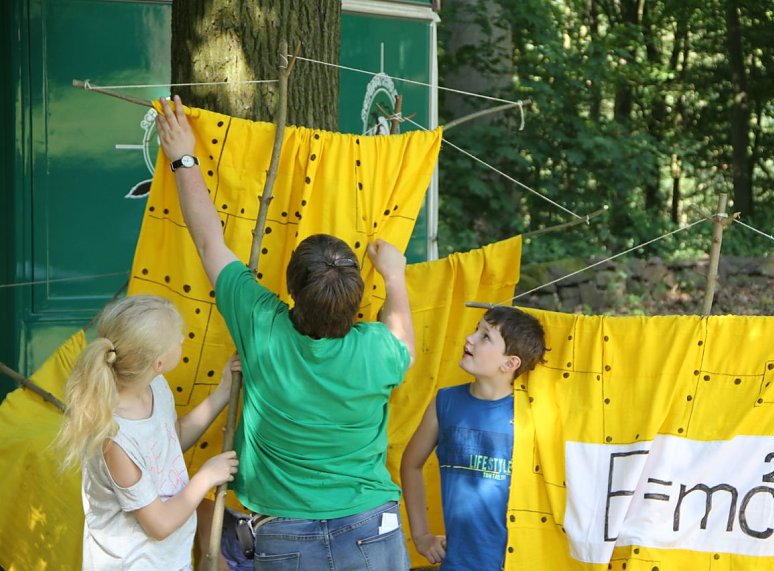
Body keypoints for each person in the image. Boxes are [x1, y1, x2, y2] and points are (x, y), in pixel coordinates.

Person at [155, 95, 416, 570]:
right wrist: (395, 276)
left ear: (290, 288)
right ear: (357, 297)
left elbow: (208, 238)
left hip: (283, 534)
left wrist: (182, 156)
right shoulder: (380, 351)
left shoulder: (262, 327)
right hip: (371, 527)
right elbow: (403, 338)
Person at [56, 294, 240, 570]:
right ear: (158, 363)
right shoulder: (114, 439)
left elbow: (169, 441)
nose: (182, 339)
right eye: (178, 337)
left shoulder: (154, 387)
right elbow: (159, 524)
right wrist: (206, 478)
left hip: (167, 559)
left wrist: (223, 391)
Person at [401, 306, 547, 571]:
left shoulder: (533, 416)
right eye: (475, 330)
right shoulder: (444, 403)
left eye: (485, 336)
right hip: (457, 563)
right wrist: (421, 535)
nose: (470, 338)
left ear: (510, 363)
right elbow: (410, 464)